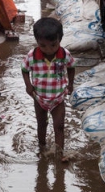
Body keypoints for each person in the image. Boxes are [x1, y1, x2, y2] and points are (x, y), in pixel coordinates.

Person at [22, 17, 76, 162]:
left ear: (60, 40)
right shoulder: (32, 56)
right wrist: (28, 85)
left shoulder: (64, 54)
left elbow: (71, 68)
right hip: (39, 98)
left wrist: (70, 84)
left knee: (59, 126)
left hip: (58, 99)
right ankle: (42, 147)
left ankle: (60, 153)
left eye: (53, 45)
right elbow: (24, 70)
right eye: (43, 46)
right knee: (42, 124)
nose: (49, 50)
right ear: (37, 42)